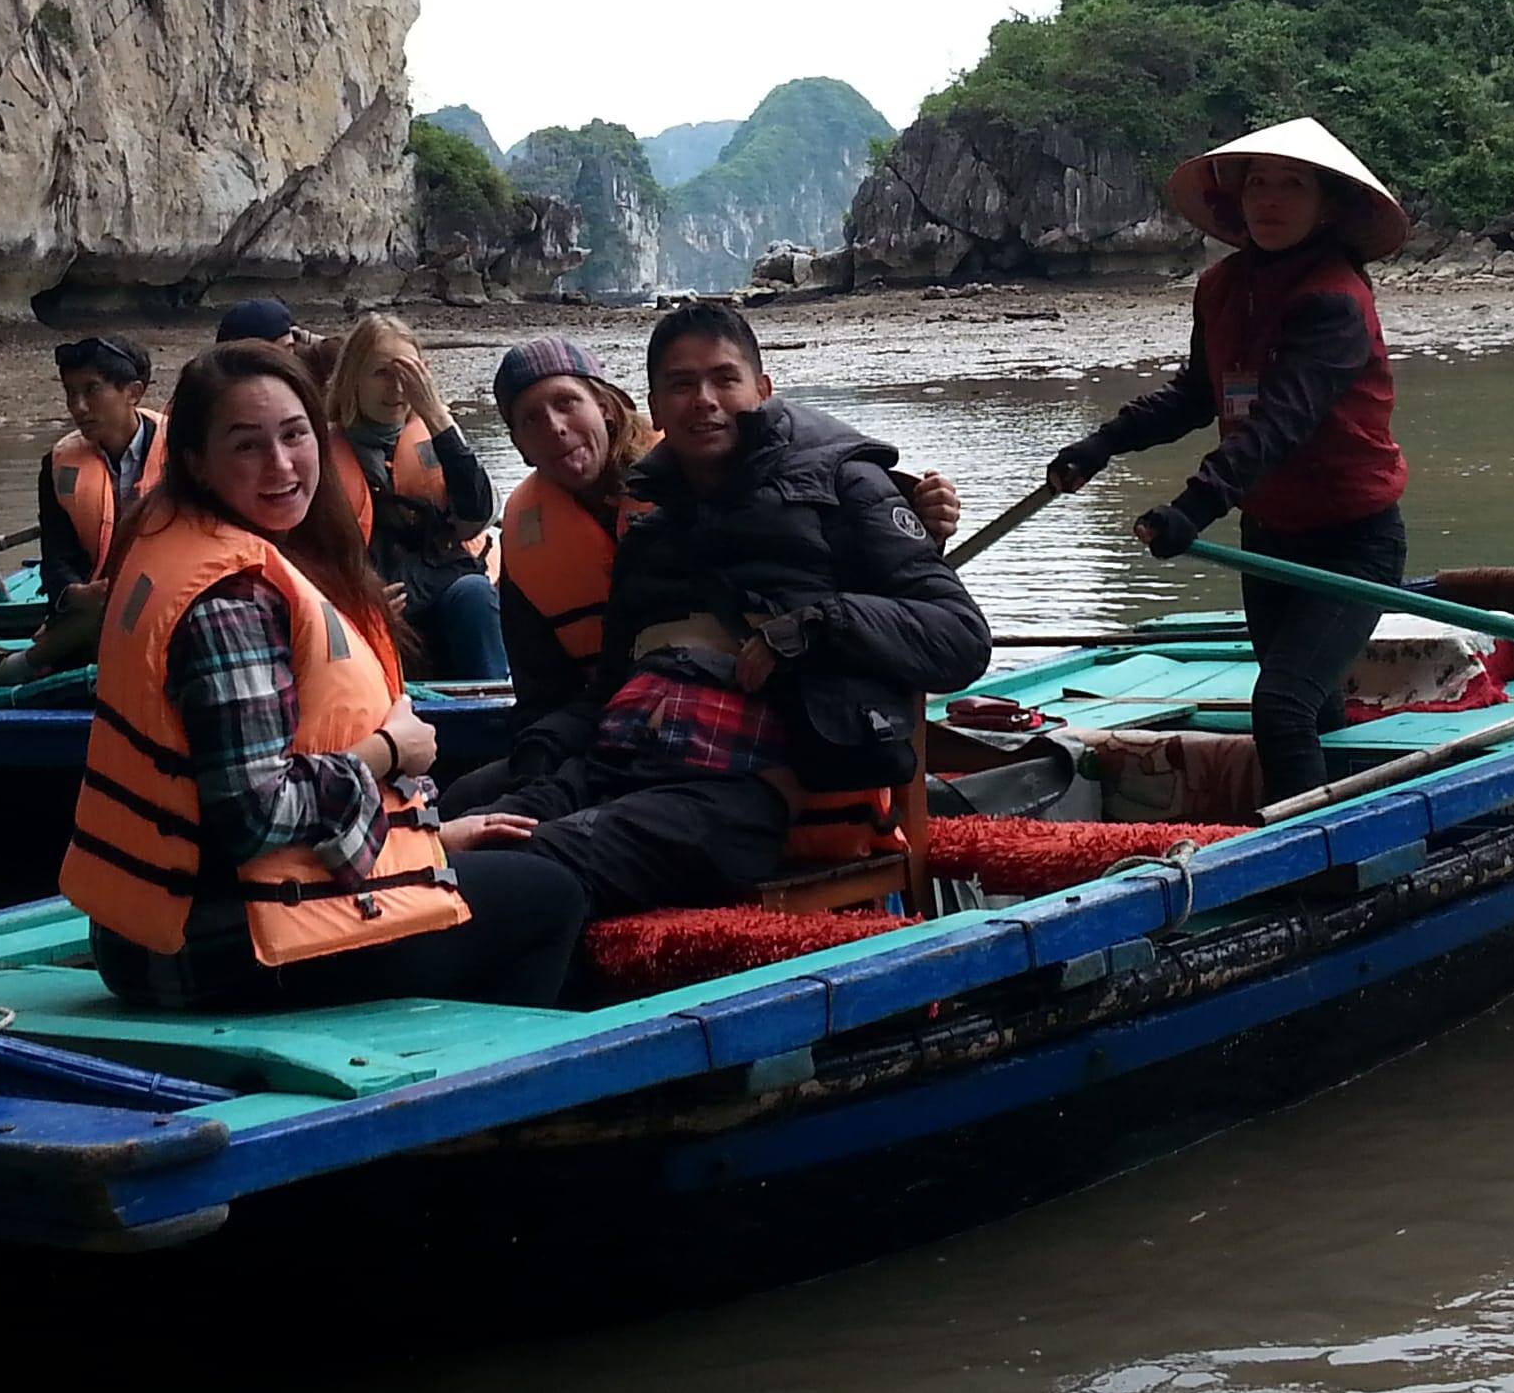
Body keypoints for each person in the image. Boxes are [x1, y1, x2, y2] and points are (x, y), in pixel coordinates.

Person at [60, 340, 584, 1009]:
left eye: (295, 435)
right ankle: (472, 1094)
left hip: (164, 923)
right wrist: (389, 753)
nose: (281, 465)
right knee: (552, 898)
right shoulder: (230, 598)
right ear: (195, 461)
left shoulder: (177, 540)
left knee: (487, 846)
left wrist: (425, 840)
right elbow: (255, 815)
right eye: (247, 446)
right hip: (219, 949)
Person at [461, 304, 991, 920]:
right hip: (622, 761)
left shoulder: (846, 487)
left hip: (755, 790)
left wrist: (814, 626)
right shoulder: (651, 534)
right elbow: (606, 691)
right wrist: (539, 753)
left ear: (762, 390)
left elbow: (960, 638)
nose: (704, 400)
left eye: (724, 380)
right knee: (441, 837)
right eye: (682, 386)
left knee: (527, 859)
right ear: (655, 408)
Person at [1044, 116, 1413, 804]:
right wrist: (1101, 444)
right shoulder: (1221, 287)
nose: (1270, 200)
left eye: (1292, 185)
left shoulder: (1336, 299)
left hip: (1351, 543)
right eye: (1258, 185)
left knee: (1280, 706)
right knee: (1314, 708)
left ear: (1327, 204)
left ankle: (1314, 875)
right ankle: (1340, 805)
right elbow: (1195, 395)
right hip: (1269, 536)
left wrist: (1192, 508)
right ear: (1236, 201)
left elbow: (1280, 425)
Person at [487, 336, 964, 747]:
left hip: (747, 717)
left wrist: (925, 533)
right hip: (619, 723)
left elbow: (837, 577)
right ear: (518, 445)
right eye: (531, 420)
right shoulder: (529, 540)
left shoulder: (702, 470)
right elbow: (541, 694)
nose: (554, 427)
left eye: (567, 403)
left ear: (607, 409)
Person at [0, 334, 163, 688]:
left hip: (167, 601)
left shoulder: (186, 453)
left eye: (92, 390)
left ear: (134, 392)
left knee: (128, 602)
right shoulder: (57, 465)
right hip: (88, 614)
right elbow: (56, 558)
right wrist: (72, 593)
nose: (78, 406)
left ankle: (14, 667)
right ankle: (62, 651)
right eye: (70, 393)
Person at [323, 313, 508, 681]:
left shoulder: (439, 438)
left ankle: (490, 719)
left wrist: (436, 414)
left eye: (405, 374)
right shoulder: (321, 453)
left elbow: (478, 509)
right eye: (381, 374)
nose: (395, 388)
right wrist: (356, 602)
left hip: (439, 593)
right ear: (352, 379)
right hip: (364, 604)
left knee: (474, 593)